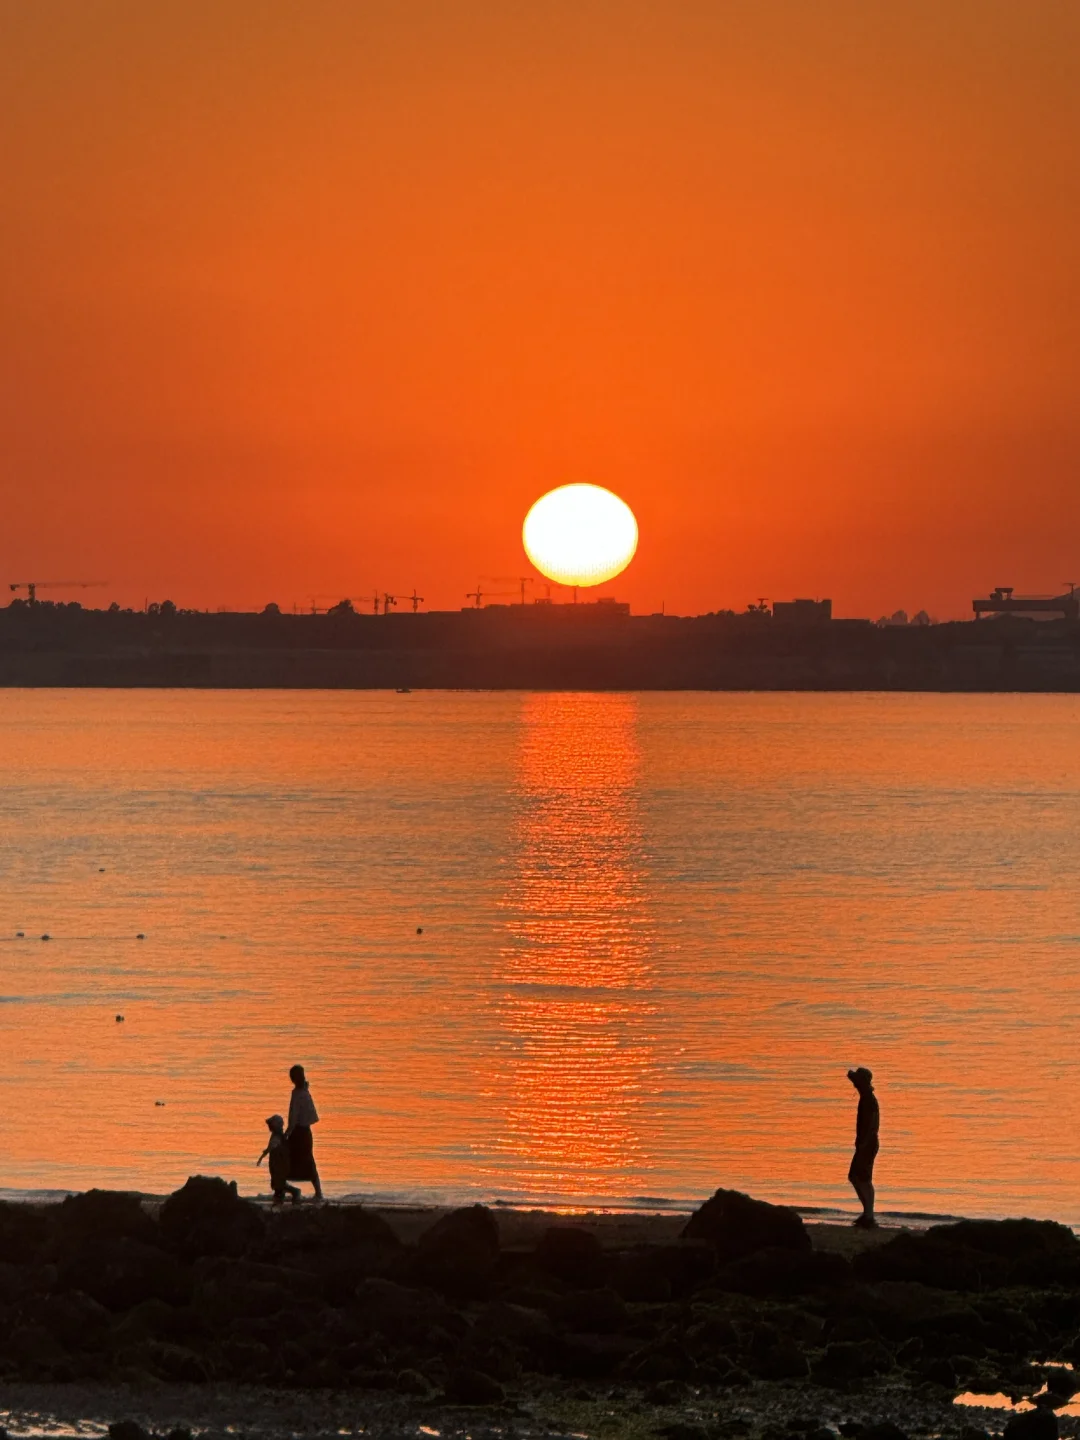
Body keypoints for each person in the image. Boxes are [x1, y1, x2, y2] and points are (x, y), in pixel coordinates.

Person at [847, 1066, 879, 1228]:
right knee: (856, 1177)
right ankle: (867, 1213)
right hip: (866, 1143)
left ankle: (869, 1215)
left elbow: (872, 1124)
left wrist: (864, 1144)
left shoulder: (868, 1099)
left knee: (861, 1178)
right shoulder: (865, 1096)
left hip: (867, 1143)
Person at [286, 1063, 323, 1202]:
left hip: (300, 1132)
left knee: (301, 1160)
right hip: (302, 1132)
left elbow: (294, 1116)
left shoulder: (299, 1093)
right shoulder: (302, 1092)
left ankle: (317, 1193)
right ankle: (317, 1192)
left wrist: (287, 1132)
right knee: (302, 1161)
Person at [256, 1114, 301, 1205]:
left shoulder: (276, 1137)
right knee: (278, 1183)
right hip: (279, 1163)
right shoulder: (280, 1136)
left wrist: (261, 1157)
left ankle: (293, 1193)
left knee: (278, 1183)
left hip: (278, 1164)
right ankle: (279, 1199)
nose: (269, 1127)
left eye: (270, 1125)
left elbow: (271, 1147)